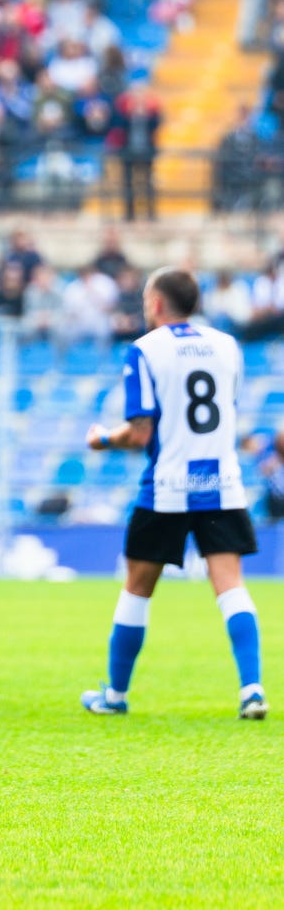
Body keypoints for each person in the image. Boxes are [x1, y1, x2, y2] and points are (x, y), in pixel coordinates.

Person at [81, 267, 268, 720]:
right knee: (230, 586)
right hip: (221, 483)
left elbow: (141, 433)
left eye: (147, 301)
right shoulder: (228, 347)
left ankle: (116, 695)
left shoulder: (144, 350)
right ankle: (252, 690)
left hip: (167, 486)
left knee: (137, 589)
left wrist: (103, 438)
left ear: (158, 304)